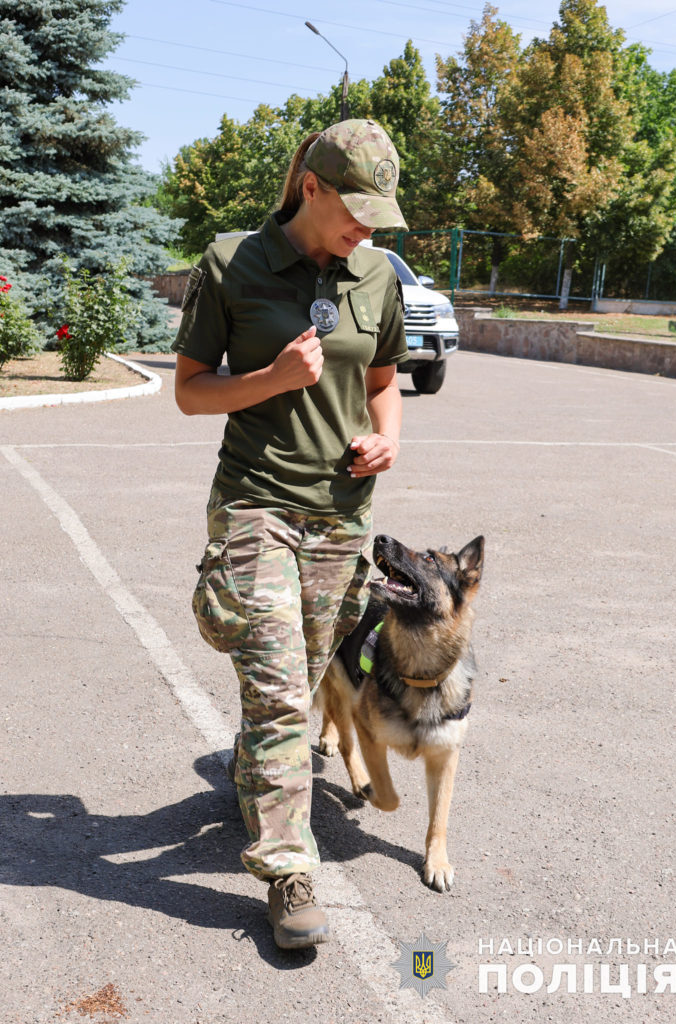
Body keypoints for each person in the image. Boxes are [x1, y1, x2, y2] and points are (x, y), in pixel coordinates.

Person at [172, 119, 409, 950]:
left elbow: (382, 384)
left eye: (379, 214)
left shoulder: (375, 273)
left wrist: (389, 436)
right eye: (355, 208)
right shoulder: (231, 260)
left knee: (300, 680)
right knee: (278, 688)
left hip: (341, 514)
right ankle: (286, 870)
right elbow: (192, 393)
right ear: (311, 187)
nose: (367, 228)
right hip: (255, 503)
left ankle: (258, 768)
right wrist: (270, 379)